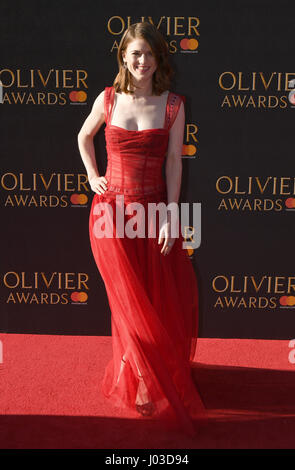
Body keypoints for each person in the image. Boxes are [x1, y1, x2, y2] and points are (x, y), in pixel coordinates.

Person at [77, 21, 207, 438]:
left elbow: (174, 161)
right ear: (123, 57)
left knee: (154, 299)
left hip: (152, 214)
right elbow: (84, 137)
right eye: (135, 53)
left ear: (159, 59)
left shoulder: (173, 105)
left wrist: (172, 214)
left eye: (149, 54)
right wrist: (93, 175)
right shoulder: (107, 98)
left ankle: (148, 377)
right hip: (110, 214)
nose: (142, 61)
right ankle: (140, 378)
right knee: (126, 302)